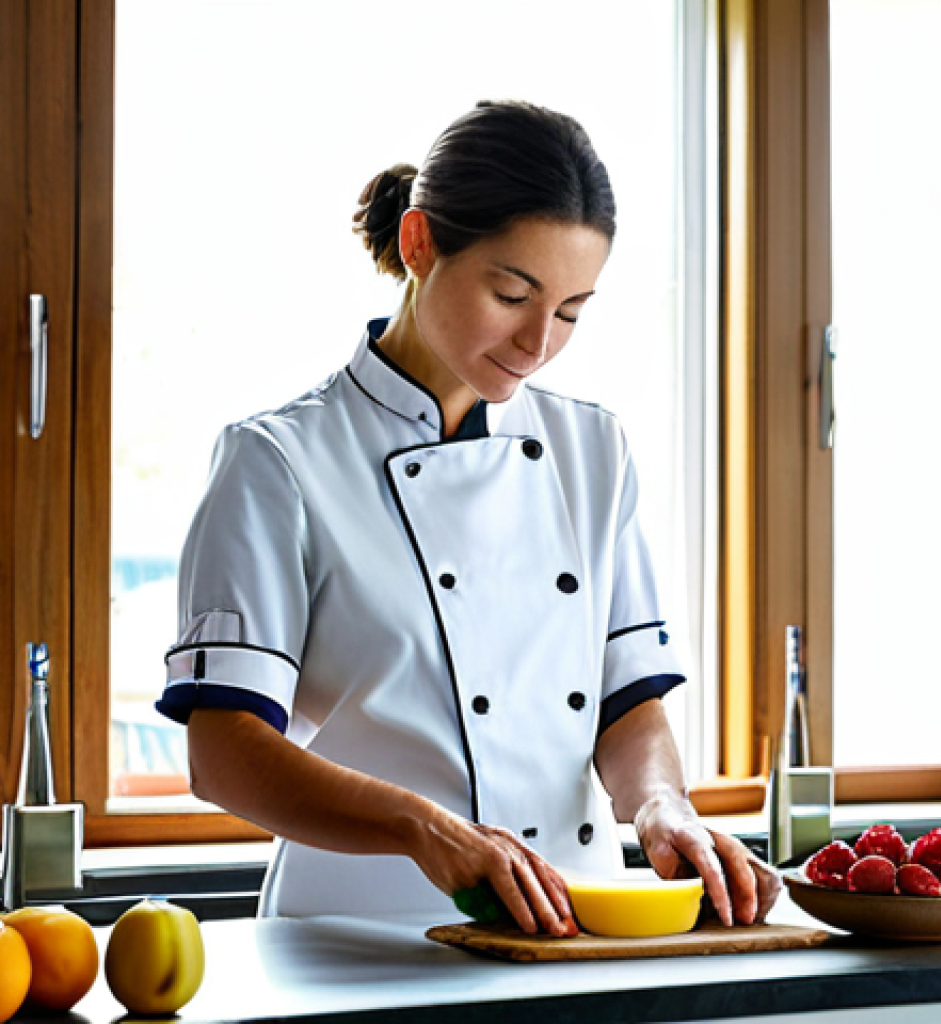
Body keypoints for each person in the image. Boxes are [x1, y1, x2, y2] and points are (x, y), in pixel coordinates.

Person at [157, 100, 781, 933]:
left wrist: (662, 805)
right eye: (512, 292)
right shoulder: (277, 462)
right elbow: (224, 752)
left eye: (569, 311)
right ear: (419, 245)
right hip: (358, 939)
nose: (537, 343)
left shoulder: (592, 452)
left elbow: (626, 702)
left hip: (576, 928)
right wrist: (424, 829)